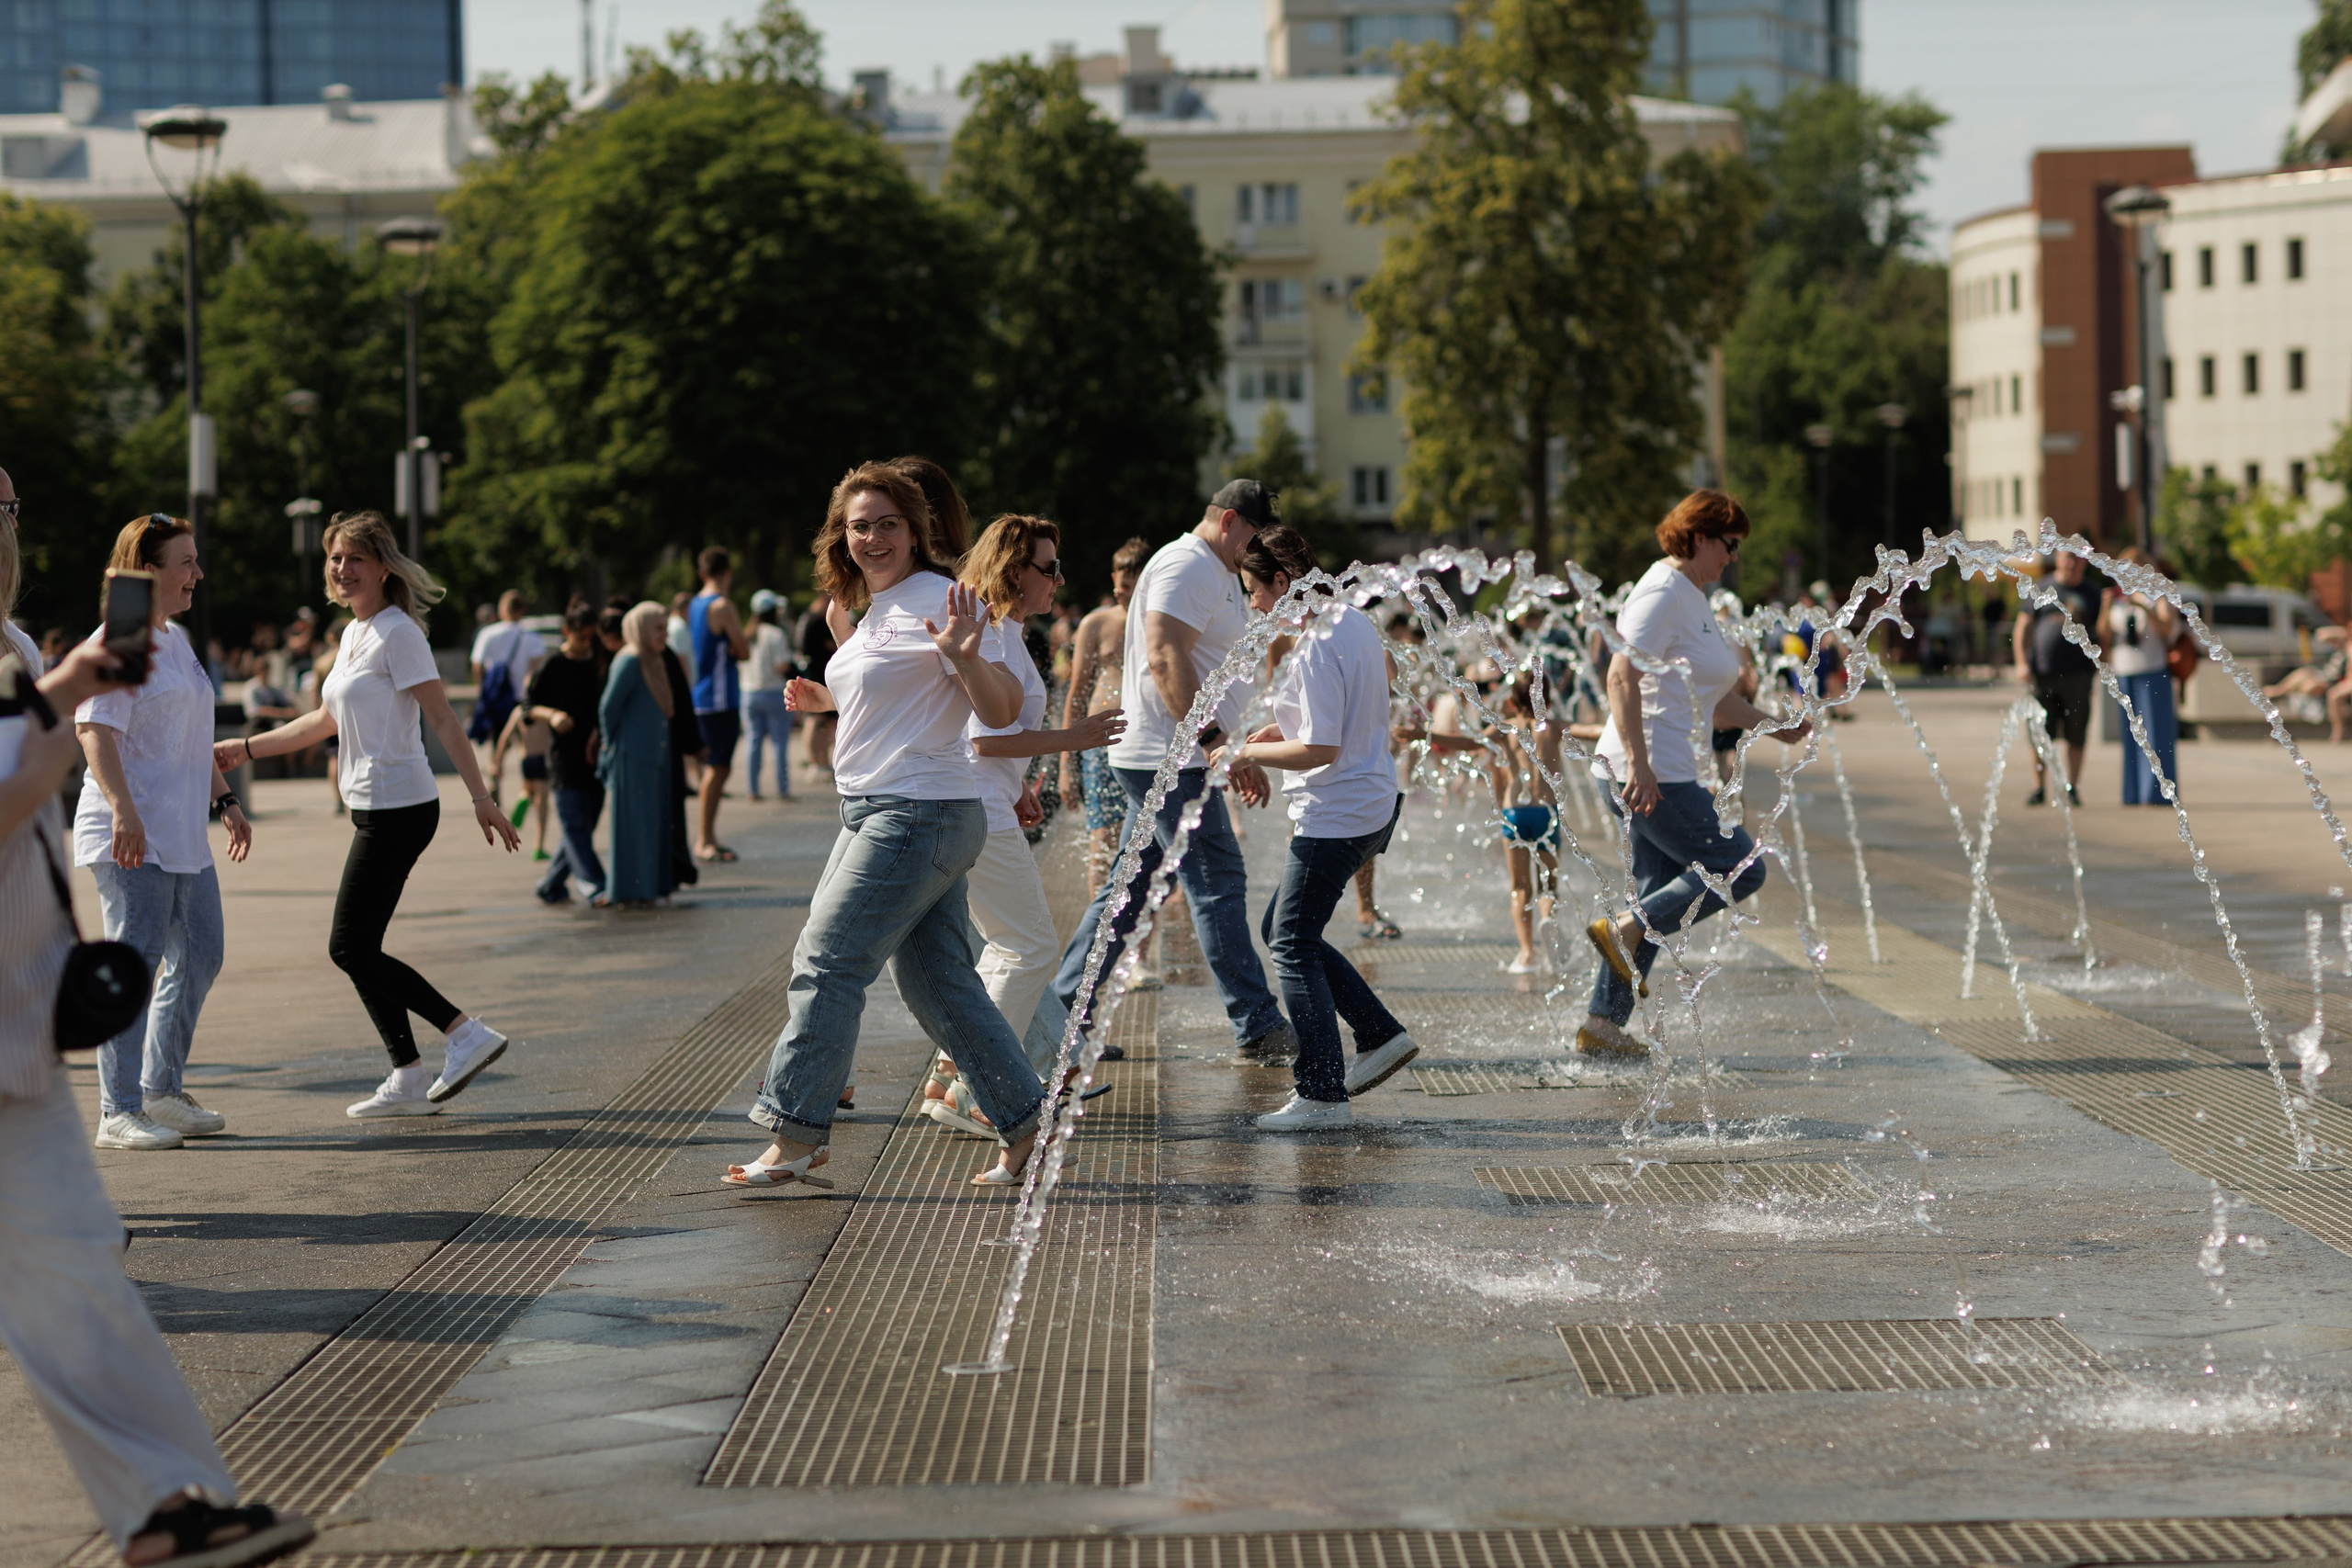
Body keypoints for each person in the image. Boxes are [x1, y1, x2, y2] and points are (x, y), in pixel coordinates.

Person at [4, 627, 316, 1568]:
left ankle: (164, 1509)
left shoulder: (14, 643)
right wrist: (58, 711)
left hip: (14, 1041)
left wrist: (59, 693)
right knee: (69, 1268)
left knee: (77, 1265)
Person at [731, 460, 1040, 1190]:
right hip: (881, 809)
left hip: (917, 813)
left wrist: (966, 657)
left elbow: (1001, 710)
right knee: (940, 985)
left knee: (827, 960)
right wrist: (826, 698)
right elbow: (897, 697)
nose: (872, 537)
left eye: (887, 524)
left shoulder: (945, 599)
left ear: (917, 528)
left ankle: (796, 1131)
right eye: (858, 525)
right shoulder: (875, 606)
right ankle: (1029, 1123)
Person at [219, 512, 523, 1117]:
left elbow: (442, 717)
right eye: (335, 558)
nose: (342, 568)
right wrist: (245, 748)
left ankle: (464, 1032)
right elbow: (324, 720)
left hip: (400, 806)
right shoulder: (355, 634)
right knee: (360, 946)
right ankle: (408, 1075)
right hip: (372, 806)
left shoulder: (398, 633)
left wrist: (482, 797)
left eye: (355, 558)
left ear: (384, 566)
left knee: (349, 946)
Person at [1049, 479, 1294, 1064]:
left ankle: (1060, 1013)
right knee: (1217, 879)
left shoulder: (1216, 569)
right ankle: (1257, 1023)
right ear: (1230, 521)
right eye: (1256, 534)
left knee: (1128, 890)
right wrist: (1213, 743)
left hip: (1171, 753)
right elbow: (1165, 656)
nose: (1259, 548)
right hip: (1171, 755)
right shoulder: (1187, 565)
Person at [1581, 491, 1807, 1059]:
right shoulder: (1661, 591)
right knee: (1741, 867)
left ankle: (1602, 1027)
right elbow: (1620, 677)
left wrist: (1775, 726)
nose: (1733, 557)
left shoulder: (1692, 595)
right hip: (1648, 772)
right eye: (1730, 545)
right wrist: (1639, 764)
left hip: (1664, 770)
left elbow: (1714, 699)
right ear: (1700, 536)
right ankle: (1624, 928)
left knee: (1657, 895)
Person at [926, 511, 1125, 1136]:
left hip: (987, 803)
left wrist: (1017, 789)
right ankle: (976, 1088)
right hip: (975, 809)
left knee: (1009, 945)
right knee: (1030, 947)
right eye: (1049, 567)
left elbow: (988, 743)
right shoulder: (988, 634)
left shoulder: (1005, 632)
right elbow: (982, 741)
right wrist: (1074, 737)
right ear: (1015, 571)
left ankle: (953, 1071)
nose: (1059, 580)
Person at [1209, 525, 1414, 1130]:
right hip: (1370, 802)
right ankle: (1378, 1034)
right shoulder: (1350, 622)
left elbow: (1322, 748)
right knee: (1283, 927)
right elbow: (1342, 716)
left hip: (1338, 813)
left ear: (1282, 581)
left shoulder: (1316, 643)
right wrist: (1277, 731)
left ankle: (1322, 1093)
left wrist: (1246, 753)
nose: (1252, 605)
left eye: (1254, 591)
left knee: (1292, 944)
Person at [74, 514, 253, 1150]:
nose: (197, 573)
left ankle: (161, 1091)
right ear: (147, 572)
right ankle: (118, 1110)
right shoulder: (122, 637)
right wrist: (124, 810)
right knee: (134, 964)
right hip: (131, 831)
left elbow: (193, 734)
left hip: (181, 832)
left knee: (203, 949)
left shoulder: (174, 639)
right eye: (186, 562)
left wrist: (224, 798)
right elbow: (93, 728)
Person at [1059, 536, 1148, 897]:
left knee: (1146, 847)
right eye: (1120, 585)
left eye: (1131, 587)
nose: (1123, 593)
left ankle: (1138, 931)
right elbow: (1077, 693)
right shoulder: (1096, 623)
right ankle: (1099, 921)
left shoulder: (1161, 625)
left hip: (1145, 746)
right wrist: (1067, 765)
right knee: (1102, 840)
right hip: (1101, 744)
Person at [526, 600, 608, 904]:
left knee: (582, 829)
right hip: (564, 760)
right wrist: (553, 715)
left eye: (591, 638)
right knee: (575, 826)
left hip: (596, 757)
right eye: (581, 638)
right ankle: (596, 887)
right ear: (566, 632)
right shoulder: (554, 665)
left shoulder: (599, 661)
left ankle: (550, 885)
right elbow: (527, 706)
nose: (587, 644)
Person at [599, 604, 677, 908]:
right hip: (633, 756)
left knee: (652, 825)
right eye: (658, 628)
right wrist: (610, 745)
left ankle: (649, 887)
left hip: (653, 754)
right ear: (641, 629)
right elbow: (608, 708)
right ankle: (630, 890)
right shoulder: (630, 660)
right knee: (635, 827)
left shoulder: (652, 659)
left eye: (664, 628)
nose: (664, 634)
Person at [2014, 549, 2098, 807]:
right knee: (2039, 733)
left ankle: (2072, 788)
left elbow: (2103, 630)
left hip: (2079, 674)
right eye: (2066, 557)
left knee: (2076, 733)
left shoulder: (2092, 593)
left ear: (2083, 562)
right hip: (2043, 674)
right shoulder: (2042, 587)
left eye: (2076, 558)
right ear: (2058, 559)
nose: (2071, 562)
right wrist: (2021, 663)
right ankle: (2039, 787)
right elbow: (2022, 626)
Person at [2100, 546, 2181, 807]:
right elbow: (2104, 636)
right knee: (2130, 736)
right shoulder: (2117, 598)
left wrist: (2144, 610)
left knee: (2156, 735)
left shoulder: (2158, 595)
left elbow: (2168, 630)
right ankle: (2133, 792)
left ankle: (2157, 793)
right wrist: (2105, 607)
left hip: (2152, 670)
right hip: (2124, 672)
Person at [467, 590, 539, 790]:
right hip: (522, 698)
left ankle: (495, 774)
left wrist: (483, 690)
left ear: (502, 609)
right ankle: (527, 788)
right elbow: (534, 670)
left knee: (498, 740)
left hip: (497, 698)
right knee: (525, 744)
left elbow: (477, 665)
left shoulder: (488, 634)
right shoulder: (531, 637)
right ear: (522, 610)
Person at [743, 588, 794, 800]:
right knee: (779, 742)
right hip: (773, 691)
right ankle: (783, 789)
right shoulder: (776, 634)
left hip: (749, 692)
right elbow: (781, 665)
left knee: (753, 742)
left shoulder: (747, 634)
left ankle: (753, 790)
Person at [492, 700, 554, 858]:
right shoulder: (545, 711)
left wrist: (498, 763)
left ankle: (524, 798)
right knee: (542, 805)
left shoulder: (518, 712)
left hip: (526, 759)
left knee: (528, 789)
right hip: (541, 758)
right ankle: (538, 847)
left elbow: (505, 737)